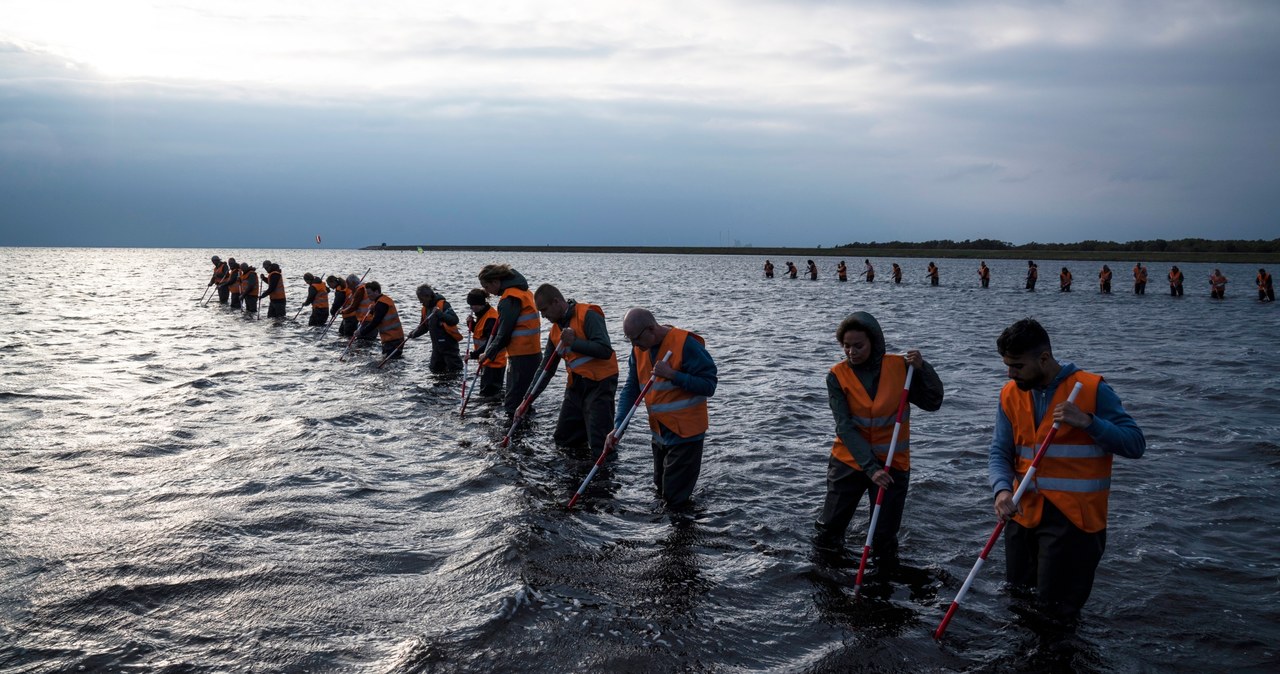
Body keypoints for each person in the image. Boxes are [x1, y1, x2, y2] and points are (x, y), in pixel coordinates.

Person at [989, 318, 1145, 626]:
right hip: (1022, 515)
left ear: (1044, 358)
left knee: (1055, 616)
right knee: (1018, 603)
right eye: (1007, 365)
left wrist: (1089, 422)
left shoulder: (1091, 389)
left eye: (1017, 366)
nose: (1010, 373)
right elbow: (999, 452)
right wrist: (1001, 489)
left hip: (1074, 523)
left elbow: (1135, 444)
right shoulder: (1009, 393)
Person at [815, 312, 944, 572]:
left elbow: (933, 402)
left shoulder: (900, 368)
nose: (851, 352)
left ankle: (883, 584)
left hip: (892, 464)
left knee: (884, 537)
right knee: (829, 530)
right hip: (849, 462)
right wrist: (870, 468)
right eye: (846, 346)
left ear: (874, 342)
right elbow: (845, 427)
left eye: (858, 345)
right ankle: (826, 576)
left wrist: (923, 368)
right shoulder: (836, 376)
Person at [605, 308, 717, 509]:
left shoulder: (686, 345)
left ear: (651, 329)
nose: (633, 345)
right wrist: (619, 426)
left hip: (686, 435)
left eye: (636, 339)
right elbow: (631, 388)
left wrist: (674, 375)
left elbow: (709, 385)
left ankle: (683, 535)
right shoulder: (639, 349)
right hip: (660, 434)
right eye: (628, 339)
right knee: (661, 490)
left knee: (674, 500)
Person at [521, 284, 618, 456]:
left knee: (599, 443)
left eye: (544, 310)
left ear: (556, 302)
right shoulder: (555, 331)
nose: (543, 316)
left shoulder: (588, 314)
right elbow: (546, 368)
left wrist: (574, 343)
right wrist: (527, 400)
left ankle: (603, 479)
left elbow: (604, 350)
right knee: (564, 438)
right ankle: (574, 474)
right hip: (575, 386)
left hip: (600, 385)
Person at [478, 264, 542, 416]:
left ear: (495, 282)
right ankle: (527, 432)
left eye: (486, 287)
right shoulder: (524, 292)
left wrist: (487, 354)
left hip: (521, 355)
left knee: (513, 403)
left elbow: (504, 334)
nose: (487, 292)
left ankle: (513, 435)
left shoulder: (509, 298)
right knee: (524, 400)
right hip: (532, 352)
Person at [408, 284, 464, 373]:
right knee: (434, 370)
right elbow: (424, 326)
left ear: (428, 296)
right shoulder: (425, 309)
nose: (420, 302)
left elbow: (454, 320)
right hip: (437, 347)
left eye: (422, 299)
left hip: (449, 346)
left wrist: (440, 314)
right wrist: (414, 333)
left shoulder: (443, 305)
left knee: (455, 371)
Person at [467, 288, 506, 397]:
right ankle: (490, 411)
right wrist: (471, 324)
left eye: (472, 305)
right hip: (486, 360)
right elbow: (481, 334)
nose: (471, 308)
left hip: (494, 362)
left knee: (489, 394)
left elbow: (490, 343)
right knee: (489, 393)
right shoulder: (482, 314)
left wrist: (472, 355)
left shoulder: (491, 318)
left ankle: (491, 411)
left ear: (480, 304)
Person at [356, 281, 404, 358]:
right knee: (391, 362)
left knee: (389, 361)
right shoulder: (383, 300)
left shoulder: (381, 304)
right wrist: (373, 310)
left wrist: (361, 332)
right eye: (367, 293)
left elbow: (375, 322)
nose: (368, 296)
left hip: (392, 339)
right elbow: (381, 316)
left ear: (376, 291)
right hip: (394, 338)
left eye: (369, 293)